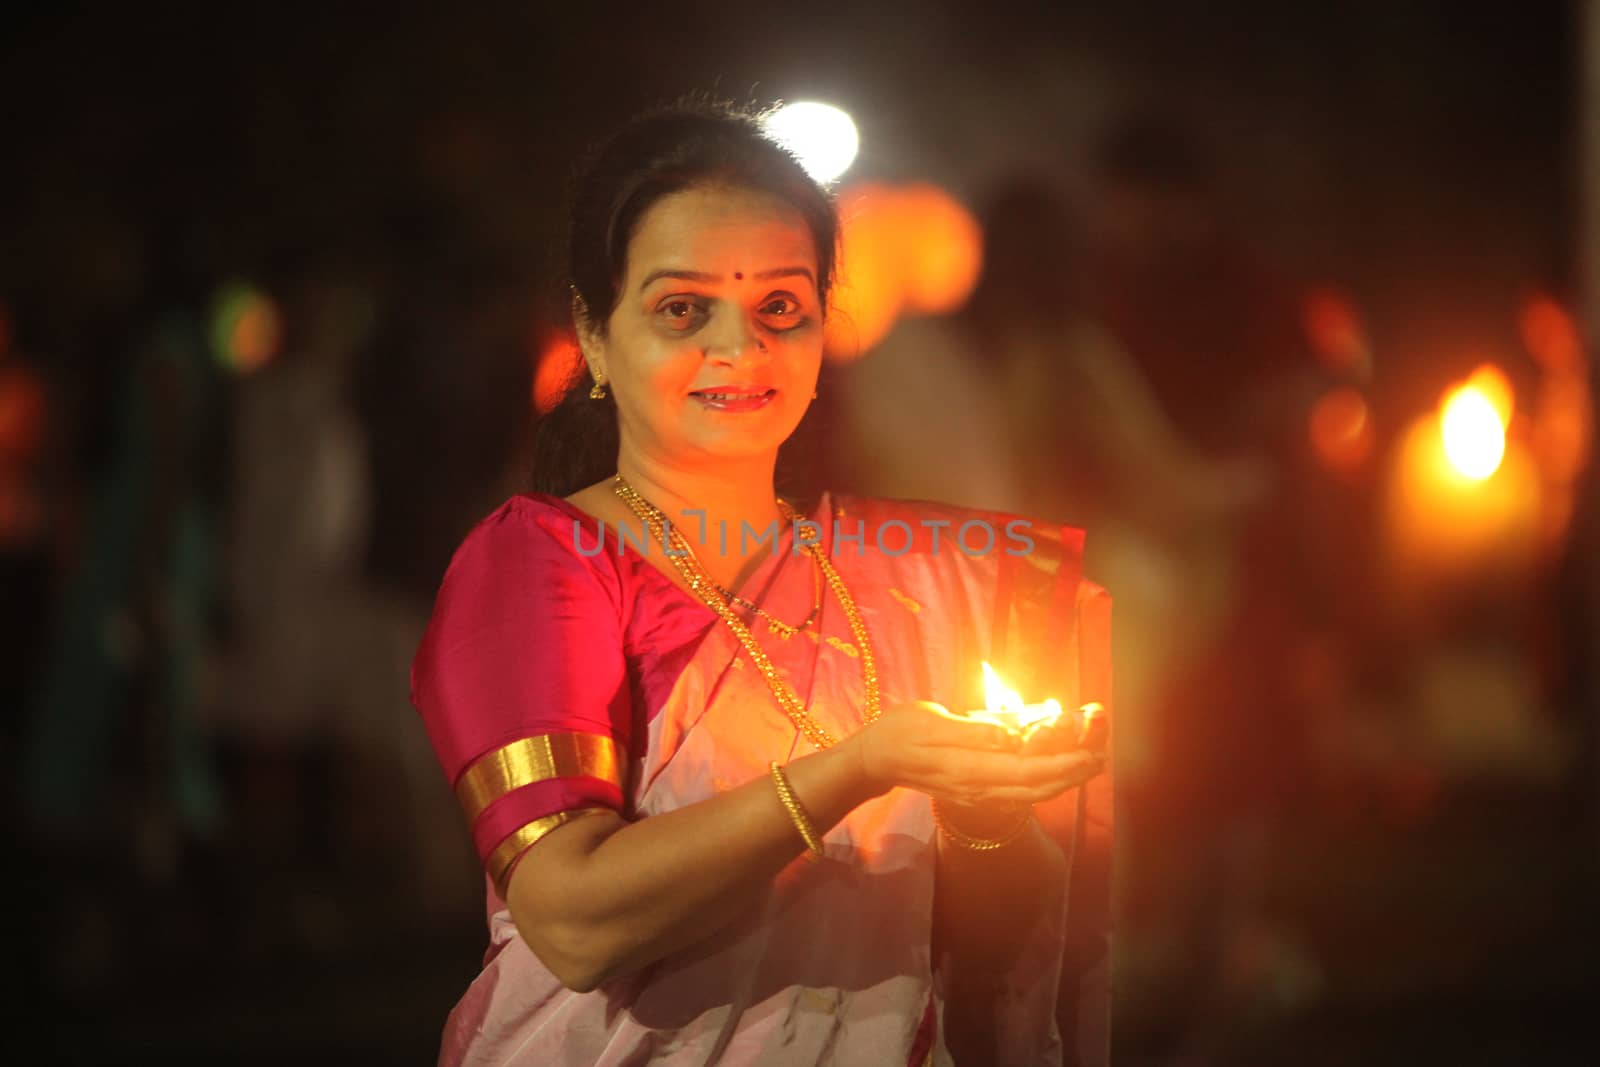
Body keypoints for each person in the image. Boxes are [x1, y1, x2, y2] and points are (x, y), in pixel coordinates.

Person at [410, 100, 1114, 1066]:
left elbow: (985, 950)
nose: (738, 351)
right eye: (681, 309)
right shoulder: (545, 562)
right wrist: (856, 769)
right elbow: (572, 921)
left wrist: (984, 818)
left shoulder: (915, 574)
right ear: (596, 332)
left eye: (779, 307)